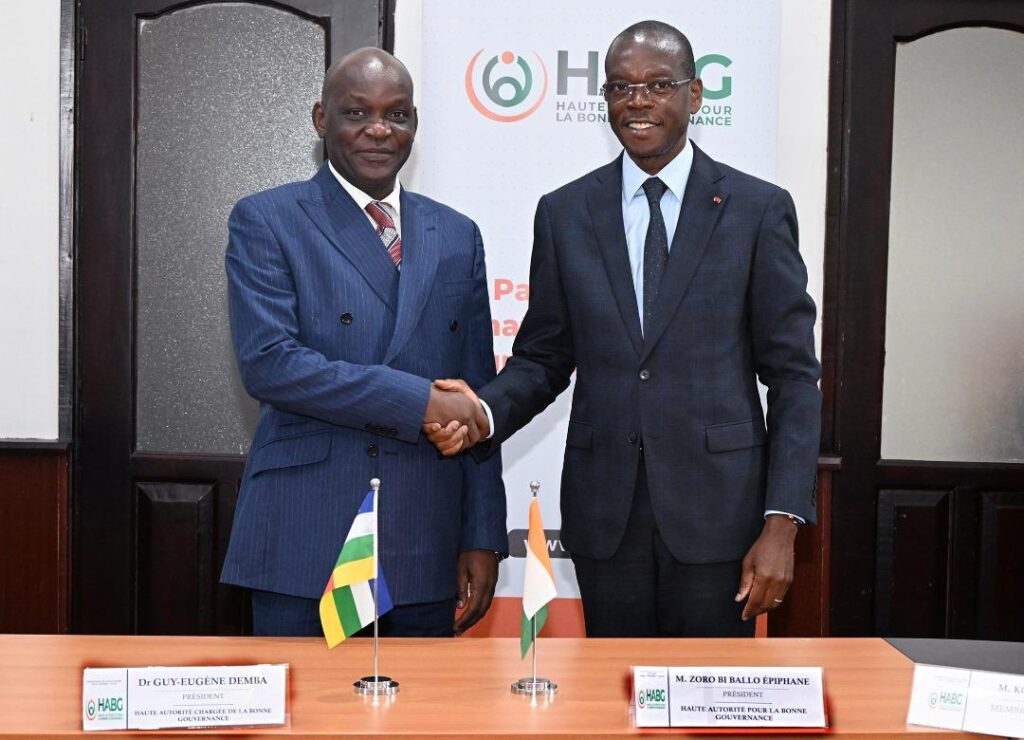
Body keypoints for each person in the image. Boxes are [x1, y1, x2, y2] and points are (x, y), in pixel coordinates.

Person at [426, 21, 820, 637]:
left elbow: (794, 377)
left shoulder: (757, 209)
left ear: (694, 94)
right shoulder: (564, 212)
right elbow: (544, 358)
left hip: (721, 516)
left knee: (705, 694)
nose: (638, 101)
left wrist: (783, 519)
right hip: (606, 517)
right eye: (620, 87)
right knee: (617, 688)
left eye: (659, 85)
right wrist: (481, 412)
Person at [221, 47, 506, 637]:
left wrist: (481, 534)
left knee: (418, 700)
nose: (379, 129)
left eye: (396, 114)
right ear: (320, 118)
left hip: (425, 533)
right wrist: (418, 401)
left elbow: (476, 393)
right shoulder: (268, 219)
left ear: (414, 124)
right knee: (306, 699)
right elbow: (270, 364)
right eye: (357, 113)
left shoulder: (457, 233)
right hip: (306, 531)